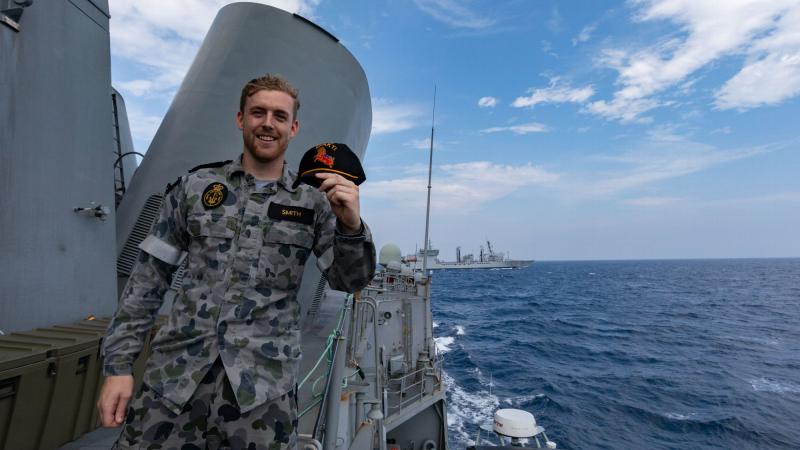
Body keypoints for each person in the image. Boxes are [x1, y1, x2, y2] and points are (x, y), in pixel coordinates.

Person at [98, 74, 376, 449]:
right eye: (258, 112)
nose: (268, 123)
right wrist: (118, 367)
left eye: (279, 116)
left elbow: (350, 281)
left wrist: (351, 224)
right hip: (174, 381)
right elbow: (147, 282)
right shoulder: (195, 188)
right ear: (240, 119)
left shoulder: (313, 203)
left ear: (292, 128)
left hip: (262, 393)